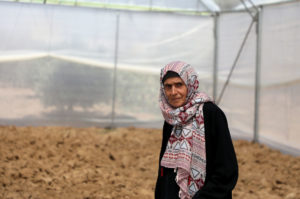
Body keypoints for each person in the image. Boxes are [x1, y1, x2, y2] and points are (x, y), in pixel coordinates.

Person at [155, 61, 238, 199]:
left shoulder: (211, 114)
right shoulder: (171, 119)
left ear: (190, 84)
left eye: (179, 85)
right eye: (168, 86)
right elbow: (164, 170)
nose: (173, 92)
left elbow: (226, 170)